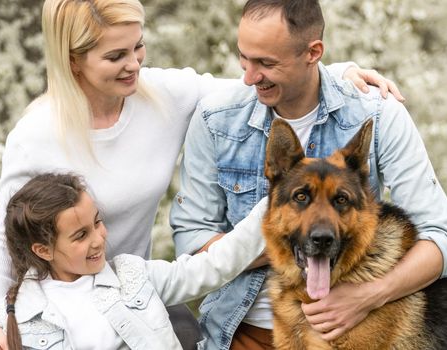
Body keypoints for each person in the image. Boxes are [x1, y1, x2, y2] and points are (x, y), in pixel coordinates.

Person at [0, 0, 401, 348]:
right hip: (58, 305)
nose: (134, 65)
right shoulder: (37, 134)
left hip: (134, 288)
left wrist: (337, 73)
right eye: (115, 56)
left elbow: (260, 83)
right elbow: (5, 240)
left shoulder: (162, 94)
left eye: (138, 47)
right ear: (74, 60)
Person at [170, 0, 447, 349]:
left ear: (313, 52)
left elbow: (440, 235)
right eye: (244, 59)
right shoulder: (217, 119)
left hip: (355, 321)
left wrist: (367, 296)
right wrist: (288, 241)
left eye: (266, 63)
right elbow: (193, 244)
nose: (249, 77)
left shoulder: (378, 114)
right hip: (241, 329)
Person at [0, 172, 267, 350]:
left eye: (98, 223)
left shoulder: (132, 275)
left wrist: (272, 205)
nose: (98, 239)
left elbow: (211, 267)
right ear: (43, 250)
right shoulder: (21, 316)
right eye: (80, 236)